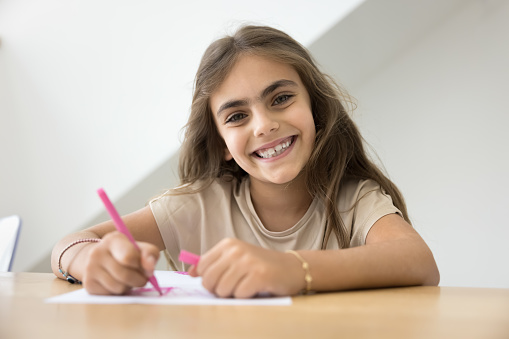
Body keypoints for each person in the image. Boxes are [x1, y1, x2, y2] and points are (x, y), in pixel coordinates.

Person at [51, 25, 440, 298]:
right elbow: (70, 245)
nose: (265, 125)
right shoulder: (198, 205)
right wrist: (89, 261)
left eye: (281, 98)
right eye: (237, 116)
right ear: (221, 143)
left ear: (316, 110)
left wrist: (290, 269)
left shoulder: (353, 199)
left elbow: (418, 261)